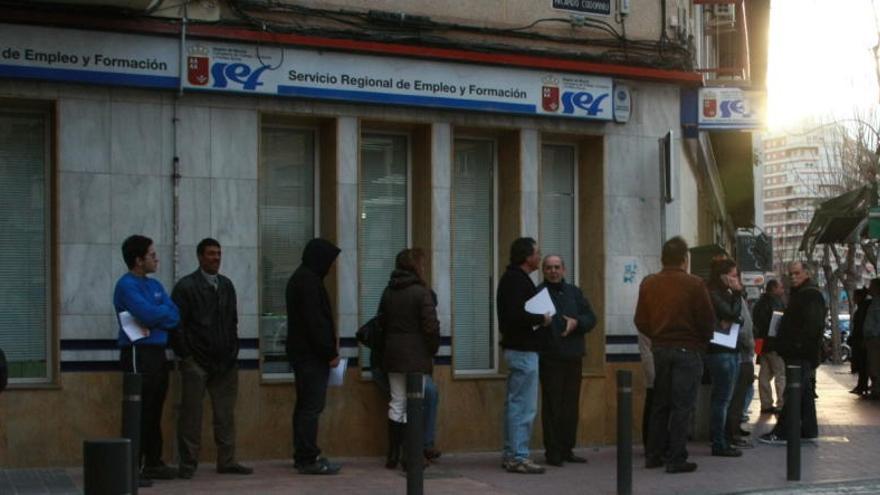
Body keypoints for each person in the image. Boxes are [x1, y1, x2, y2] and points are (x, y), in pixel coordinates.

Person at [171, 238, 253, 479]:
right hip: (196, 361)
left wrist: (233, 351)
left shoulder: (226, 285)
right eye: (210, 254)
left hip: (225, 361)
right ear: (199, 257)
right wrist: (187, 357)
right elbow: (177, 326)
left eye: (218, 253)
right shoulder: (186, 287)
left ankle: (227, 460)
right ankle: (188, 463)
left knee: (225, 415)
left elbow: (232, 321)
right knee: (191, 416)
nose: (216, 258)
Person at [634, 236, 715, 474]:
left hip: (660, 349)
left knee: (661, 404)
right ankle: (677, 457)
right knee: (682, 406)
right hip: (687, 350)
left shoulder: (649, 283)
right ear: (685, 259)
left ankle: (654, 455)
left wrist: (658, 337)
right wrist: (700, 341)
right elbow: (707, 321)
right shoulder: (695, 284)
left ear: (662, 258)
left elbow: (640, 320)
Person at [113, 235, 180, 484]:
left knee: (155, 408)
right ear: (138, 260)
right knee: (138, 409)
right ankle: (133, 465)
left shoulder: (155, 286)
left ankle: (153, 461)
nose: (156, 258)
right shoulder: (126, 285)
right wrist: (157, 315)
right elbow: (148, 315)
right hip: (136, 353)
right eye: (152, 255)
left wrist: (157, 315)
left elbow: (175, 315)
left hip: (157, 352)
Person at [379, 248, 440, 469]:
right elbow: (431, 327)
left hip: (393, 354)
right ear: (416, 266)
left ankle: (393, 455)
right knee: (415, 404)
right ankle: (411, 456)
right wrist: (431, 350)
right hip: (416, 356)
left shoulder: (389, 291)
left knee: (397, 402)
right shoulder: (421, 292)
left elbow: (382, 323)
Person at [286, 238, 343, 475]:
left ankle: (304, 453)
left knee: (305, 408)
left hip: (304, 355)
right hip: (311, 357)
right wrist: (329, 352)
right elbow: (315, 323)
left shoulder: (302, 279)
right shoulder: (309, 282)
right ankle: (308, 457)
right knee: (311, 407)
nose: (331, 267)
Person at [498, 237, 552, 474]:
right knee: (524, 406)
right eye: (537, 253)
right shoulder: (517, 281)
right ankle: (518, 456)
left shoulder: (513, 279)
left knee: (515, 404)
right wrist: (542, 318)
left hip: (517, 348)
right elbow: (516, 315)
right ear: (527, 256)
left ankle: (512, 453)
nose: (539, 257)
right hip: (523, 350)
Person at [537, 255, 597, 466]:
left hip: (573, 356)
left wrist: (576, 322)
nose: (553, 271)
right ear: (543, 271)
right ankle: (553, 452)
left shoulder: (574, 292)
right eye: (548, 268)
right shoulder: (538, 294)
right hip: (550, 358)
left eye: (556, 267)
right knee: (553, 405)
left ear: (564, 269)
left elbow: (591, 318)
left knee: (570, 406)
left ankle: (567, 449)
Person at [759, 261, 826, 444]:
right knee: (802, 393)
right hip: (797, 354)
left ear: (806, 273)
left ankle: (782, 432)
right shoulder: (802, 294)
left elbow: (812, 327)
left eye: (797, 273)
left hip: (800, 355)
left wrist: (795, 347)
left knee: (794, 393)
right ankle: (808, 429)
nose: (793, 277)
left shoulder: (810, 295)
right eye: (791, 274)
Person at [705, 258, 744, 458]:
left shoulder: (724, 293)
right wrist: (736, 295)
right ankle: (719, 442)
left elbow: (737, 317)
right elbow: (731, 312)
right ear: (723, 276)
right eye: (734, 275)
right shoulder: (713, 293)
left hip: (730, 348)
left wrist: (732, 313)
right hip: (720, 350)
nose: (738, 280)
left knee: (724, 398)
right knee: (722, 399)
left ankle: (722, 439)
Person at [725, 292, 756, 449]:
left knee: (734, 397)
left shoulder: (727, 298)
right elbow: (745, 330)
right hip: (740, 356)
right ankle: (732, 432)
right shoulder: (736, 300)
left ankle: (732, 430)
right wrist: (750, 347)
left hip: (736, 355)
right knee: (737, 397)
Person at [752, 279, 786, 414]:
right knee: (780, 375)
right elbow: (779, 324)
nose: (782, 290)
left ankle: (766, 404)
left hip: (762, 344)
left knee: (764, 375)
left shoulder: (759, 303)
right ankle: (781, 404)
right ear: (774, 289)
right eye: (780, 287)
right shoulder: (776, 302)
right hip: (775, 344)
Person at [847, 288, 871, 395]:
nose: (853, 299)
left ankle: (862, 385)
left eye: (855, 296)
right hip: (859, 339)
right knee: (861, 364)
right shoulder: (862, 308)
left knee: (863, 364)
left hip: (861, 339)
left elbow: (860, 325)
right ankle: (861, 385)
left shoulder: (863, 309)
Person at [862, 279, 880, 399]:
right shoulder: (874, 302)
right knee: (872, 365)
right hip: (871, 338)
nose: (869, 288)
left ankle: (877, 390)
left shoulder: (878, 303)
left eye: (872, 286)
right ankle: (875, 389)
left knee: (875, 366)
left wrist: (875, 335)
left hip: (875, 338)